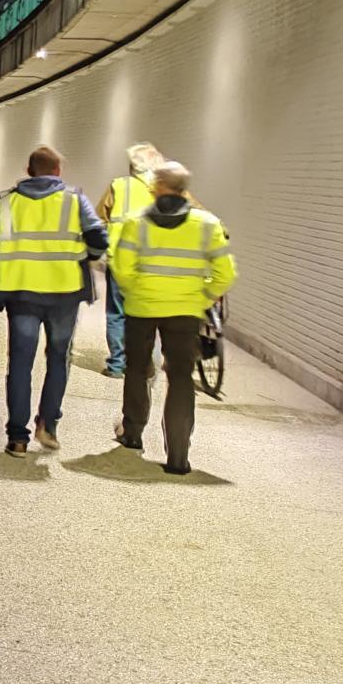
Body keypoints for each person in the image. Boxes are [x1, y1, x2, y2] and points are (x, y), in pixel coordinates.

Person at [110, 162, 237, 474]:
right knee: (180, 377)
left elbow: (122, 270)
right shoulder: (208, 225)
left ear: (157, 186)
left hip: (142, 310)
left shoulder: (135, 223)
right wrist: (201, 297)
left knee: (138, 370)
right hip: (185, 313)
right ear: (184, 189)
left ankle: (133, 433)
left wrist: (138, 292)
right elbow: (225, 274)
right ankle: (178, 457)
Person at [0, 144, 108, 457]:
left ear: (28, 171)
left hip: (21, 293)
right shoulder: (74, 199)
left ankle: (17, 438)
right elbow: (98, 238)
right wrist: (86, 259)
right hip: (64, 293)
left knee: (20, 363)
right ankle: (48, 425)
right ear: (58, 171)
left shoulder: (7, 202)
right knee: (58, 358)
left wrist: (10, 267)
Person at [97, 142, 161, 377]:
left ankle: (117, 365)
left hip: (121, 261)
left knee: (117, 313)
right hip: (154, 264)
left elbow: (99, 219)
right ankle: (145, 363)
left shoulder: (118, 187)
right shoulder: (166, 189)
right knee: (150, 313)